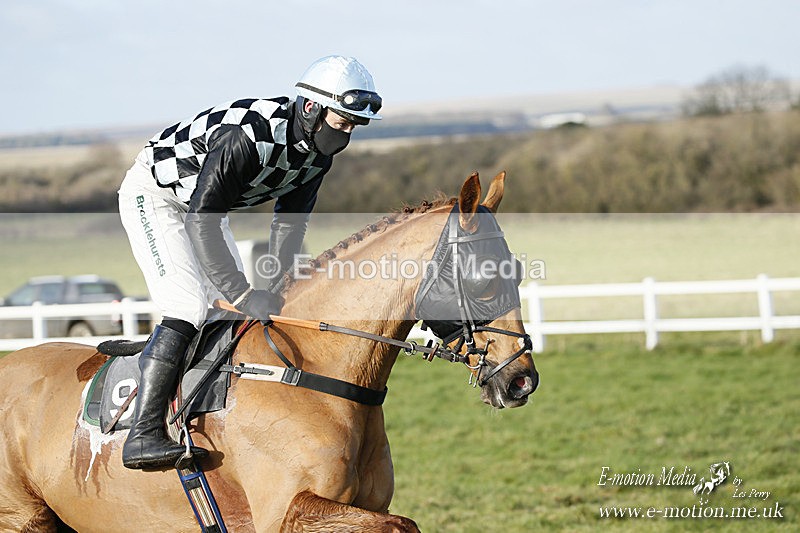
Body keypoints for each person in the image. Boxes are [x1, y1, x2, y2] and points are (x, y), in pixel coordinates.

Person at [117, 55, 382, 469]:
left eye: (353, 125)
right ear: (311, 109)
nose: (346, 133)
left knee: (224, 313)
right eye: (342, 121)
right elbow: (200, 221)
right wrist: (243, 293)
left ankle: (199, 411)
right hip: (156, 197)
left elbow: (289, 226)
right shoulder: (246, 137)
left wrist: (277, 289)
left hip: (203, 209)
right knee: (189, 307)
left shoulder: (316, 155)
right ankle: (143, 434)